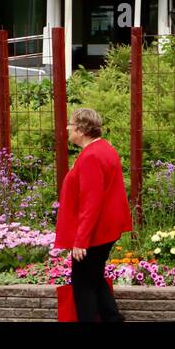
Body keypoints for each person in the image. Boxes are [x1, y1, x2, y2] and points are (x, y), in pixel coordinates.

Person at [53, 107, 133, 322]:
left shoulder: (91, 156)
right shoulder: (104, 148)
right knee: (95, 278)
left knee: (83, 286)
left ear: (82, 129)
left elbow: (91, 202)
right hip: (105, 229)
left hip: (95, 233)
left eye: (70, 124)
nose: (67, 128)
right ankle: (113, 318)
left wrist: (81, 241)